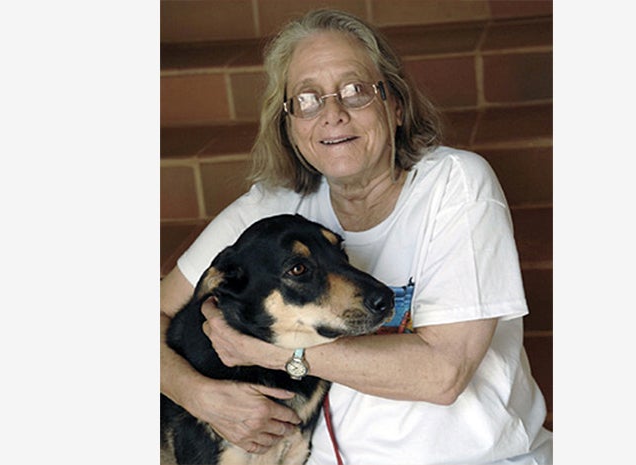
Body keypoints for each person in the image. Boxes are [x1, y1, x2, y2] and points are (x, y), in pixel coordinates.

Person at [160, 8, 553, 465]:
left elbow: (442, 374)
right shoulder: (270, 210)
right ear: (289, 124)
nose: (332, 113)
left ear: (396, 105)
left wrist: (274, 353)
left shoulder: (455, 185)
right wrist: (197, 394)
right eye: (307, 99)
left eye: (355, 91)